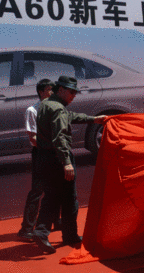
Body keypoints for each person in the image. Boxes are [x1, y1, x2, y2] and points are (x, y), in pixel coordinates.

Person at [32, 76, 106, 254]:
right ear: (61, 90)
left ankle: (57, 233)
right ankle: (56, 233)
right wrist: (66, 163)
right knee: (68, 198)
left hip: (45, 157)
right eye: (71, 91)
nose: (74, 95)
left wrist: (93, 119)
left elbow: (70, 116)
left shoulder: (48, 104)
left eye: (75, 92)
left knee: (54, 196)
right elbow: (60, 138)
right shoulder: (57, 109)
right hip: (58, 158)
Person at [17, 79, 61, 241]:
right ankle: (26, 228)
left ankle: (56, 221)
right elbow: (33, 138)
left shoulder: (55, 108)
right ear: (41, 91)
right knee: (37, 191)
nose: (53, 93)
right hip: (42, 154)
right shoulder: (32, 110)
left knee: (56, 188)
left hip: (54, 152)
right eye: (50, 90)